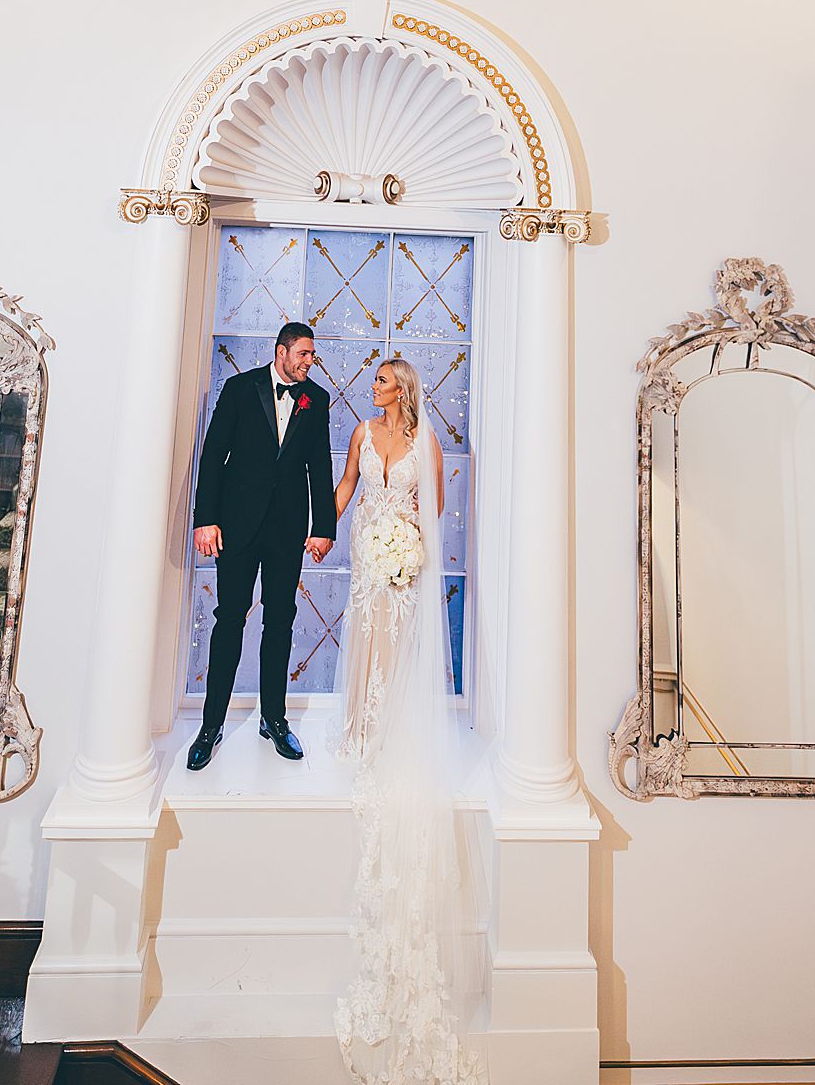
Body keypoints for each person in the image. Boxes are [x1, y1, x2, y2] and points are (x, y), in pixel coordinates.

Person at [331, 358, 482, 1085]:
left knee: (394, 641)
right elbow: (346, 490)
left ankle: (387, 731)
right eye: (376, 381)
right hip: (366, 553)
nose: (375, 387)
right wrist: (320, 526)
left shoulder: (429, 444)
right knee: (364, 634)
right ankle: (360, 726)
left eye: (385, 381)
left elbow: (439, 509)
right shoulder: (360, 432)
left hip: (405, 559)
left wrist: (414, 550)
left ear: (406, 391)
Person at [187, 321, 336, 770]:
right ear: (282, 352)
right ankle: (210, 725)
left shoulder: (317, 401)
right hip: (235, 526)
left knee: (281, 622)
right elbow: (213, 456)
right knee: (229, 620)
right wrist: (205, 520)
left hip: (287, 530)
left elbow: (320, 467)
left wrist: (323, 527)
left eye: (312, 355)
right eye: (304, 354)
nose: (310, 362)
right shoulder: (239, 388)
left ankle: (274, 718)